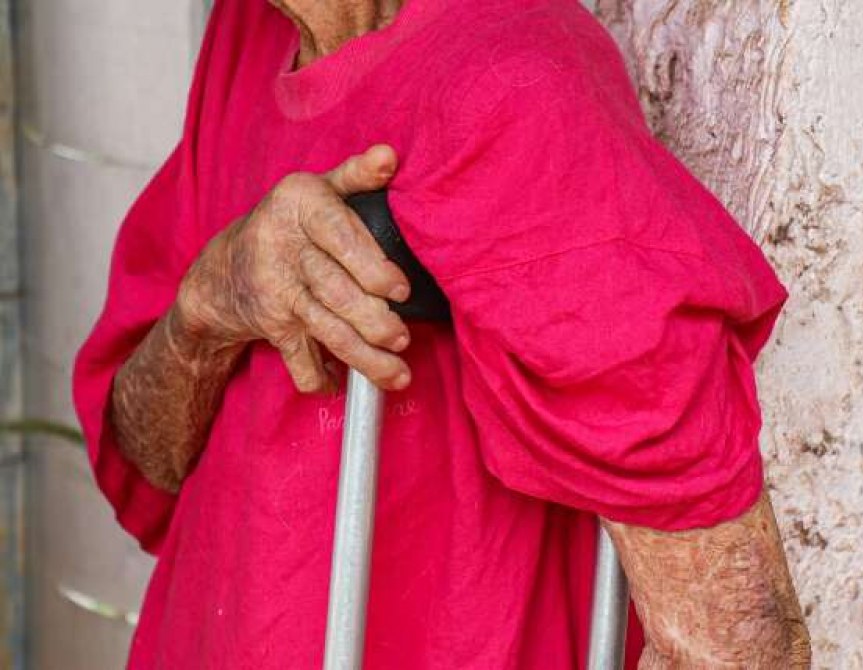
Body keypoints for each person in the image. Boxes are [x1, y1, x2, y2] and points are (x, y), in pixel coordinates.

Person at [73, 0, 811, 667]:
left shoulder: (515, 81)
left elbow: (738, 646)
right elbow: (147, 459)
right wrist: (210, 303)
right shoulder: (250, 32)